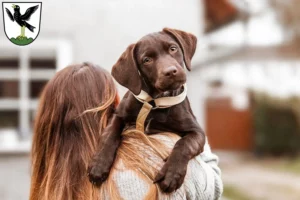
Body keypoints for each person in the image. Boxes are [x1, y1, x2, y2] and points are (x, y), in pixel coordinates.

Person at [29, 62, 223, 200]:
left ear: (47, 129)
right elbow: (213, 186)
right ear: (114, 105)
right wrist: (193, 132)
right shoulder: (159, 155)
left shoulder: (50, 189)